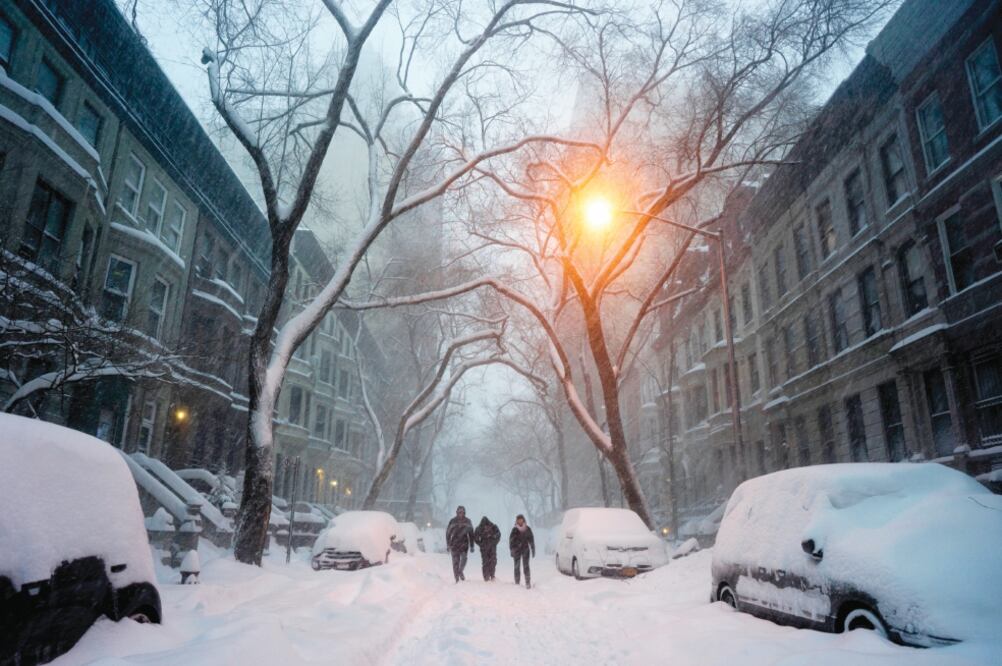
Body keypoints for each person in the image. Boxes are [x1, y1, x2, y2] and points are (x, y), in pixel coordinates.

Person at [446, 505, 474, 582]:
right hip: (454, 544)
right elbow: (448, 533)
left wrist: (472, 546)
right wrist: (448, 544)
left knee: (464, 559)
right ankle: (457, 579)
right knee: (455, 562)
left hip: (464, 545)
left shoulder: (468, 521)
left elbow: (471, 534)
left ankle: (460, 571)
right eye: (459, 512)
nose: (461, 513)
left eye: (462, 512)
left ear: (464, 513)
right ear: (457, 512)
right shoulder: (453, 521)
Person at [509, 514, 535, 589]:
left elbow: (531, 540)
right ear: (516, 521)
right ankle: (517, 582)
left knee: (526, 566)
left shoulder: (527, 529)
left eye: (521, 519)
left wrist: (533, 549)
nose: (520, 521)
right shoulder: (514, 530)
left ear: (523, 520)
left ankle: (528, 582)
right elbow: (511, 541)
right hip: (516, 550)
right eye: (518, 520)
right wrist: (511, 550)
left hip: (525, 550)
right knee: (516, 567)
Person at [473, 516, 501, 581]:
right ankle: (486, 577)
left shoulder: (493, 527)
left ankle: (492, 575)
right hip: (484, 548)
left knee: (493, 561)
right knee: (485, 562)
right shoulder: (479, 528)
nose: (485, 527)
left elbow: (498, 535)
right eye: (484, 526)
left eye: (486, 525)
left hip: (492, 547)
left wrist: (494, 542)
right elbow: (475, 538)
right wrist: (481, 544)